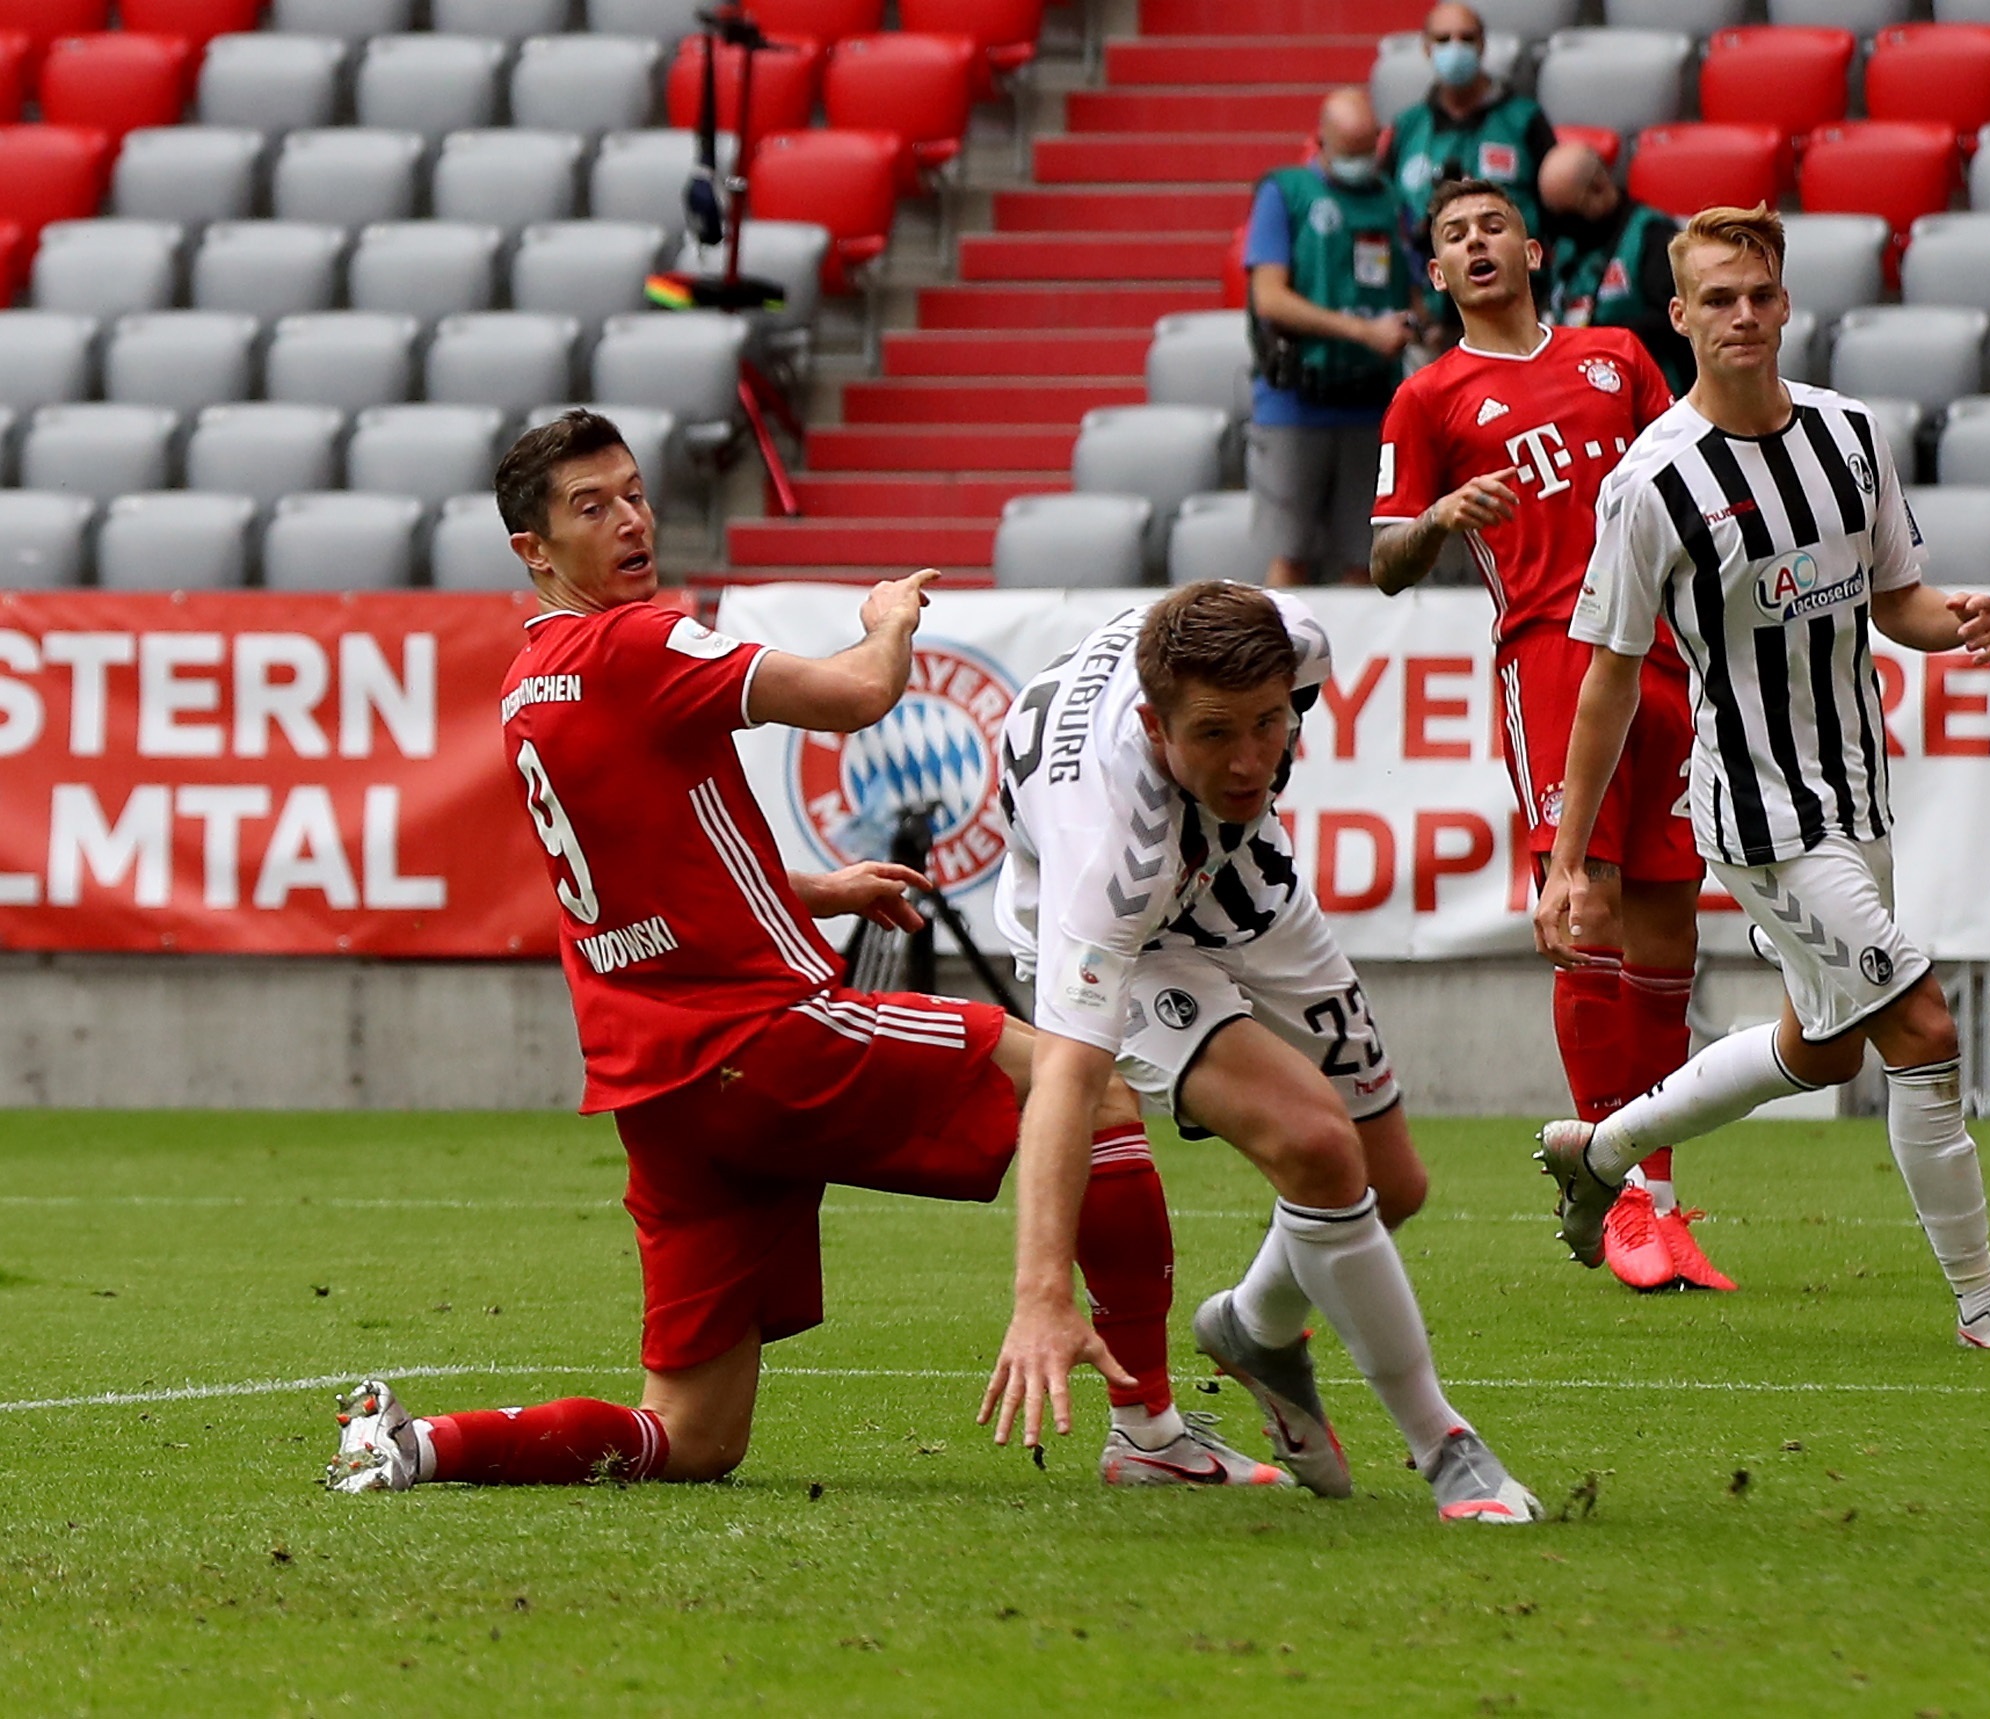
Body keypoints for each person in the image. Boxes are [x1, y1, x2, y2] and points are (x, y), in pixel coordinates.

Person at [326, 412, 1283, 1496]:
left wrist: (813, 889)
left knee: (691, 1438)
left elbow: (638, 878)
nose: (630, 520)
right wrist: (889, 621)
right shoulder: (641, 640)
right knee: (1091, 1085)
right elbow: (856, 698)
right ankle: (1151, 1435)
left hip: (661, 1085)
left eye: (634, 493)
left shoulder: (526, 685)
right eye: (591, 508)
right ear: (533, 553)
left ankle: (417, 1446)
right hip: (760, 1039)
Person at [1528, 205, 1990, 1350]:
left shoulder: (1849, 436)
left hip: (1857, 792)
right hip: (1755, 813)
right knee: (1926, 1028)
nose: (1742, 316)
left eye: (1759, 295)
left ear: (1786, 303)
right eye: (1717, 299)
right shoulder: (1652, 484)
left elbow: (1892, 597)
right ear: (1681, 316)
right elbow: (1604, 678)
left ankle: (1599, 1152)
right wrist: (1566, 860)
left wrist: (1957, 621)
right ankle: (1989, 1305)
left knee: (1824, 1044)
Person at [976, 581, 1543, 1525]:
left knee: (1391, 1184)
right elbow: (1068, 1083)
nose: (1250, 760)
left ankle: (1255, 1328)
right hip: (1141, 941)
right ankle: (1444, 1445)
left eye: (1269, 724)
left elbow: (1255, 728)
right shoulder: (1105, 849)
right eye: (1213, 734)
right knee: (1317, 1146)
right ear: (1155, 726)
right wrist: (1040, 1294)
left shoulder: (1295, 640)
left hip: (1248, 884)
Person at [1365, 177, 1722, 1294]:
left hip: (1662, 656)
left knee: (1670, 925)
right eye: (1454, 238)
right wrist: (1434, 517)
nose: (1477, 245)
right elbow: (1382, 562)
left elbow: (1702, 466)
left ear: (1528, 247)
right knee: (1587, 909)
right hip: (1554, 660)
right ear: (1437, 275)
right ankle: (1607, 1175)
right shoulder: (1429, 398)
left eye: (1492, 228)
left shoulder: (1618, 354)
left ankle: (1653, 1195)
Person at [1246, 87, 1417, 588]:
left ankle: (1346, 663)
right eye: (1351, 150)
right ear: (1322, 140)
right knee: (1290, 552)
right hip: (1296, 400)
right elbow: (1270, 299)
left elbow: (1412, 287)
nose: (1361, 161)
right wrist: (1363, 331)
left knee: (1363, 559)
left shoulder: (1391, 201)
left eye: (1369, 149)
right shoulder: (1285, 193)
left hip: (1370, 402)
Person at [1383, 4, 1556, 250]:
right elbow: (1386, 208)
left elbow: (1557, 217)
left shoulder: (1524, 120)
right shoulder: (1407, 126)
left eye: (1466, 38)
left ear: (1482, 45)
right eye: (1443, 39)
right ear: (1426, 48)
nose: (1455, 48)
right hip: (1425, 279)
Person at [1536, 141, 1692, 394]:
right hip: (1577, 387)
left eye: (1569, 216)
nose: (1563, 228)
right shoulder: (1567, 245)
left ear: (1598, 188)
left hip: (1650, 389)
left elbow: (1672, 322)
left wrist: (1597, 341)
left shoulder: (1652, 235)